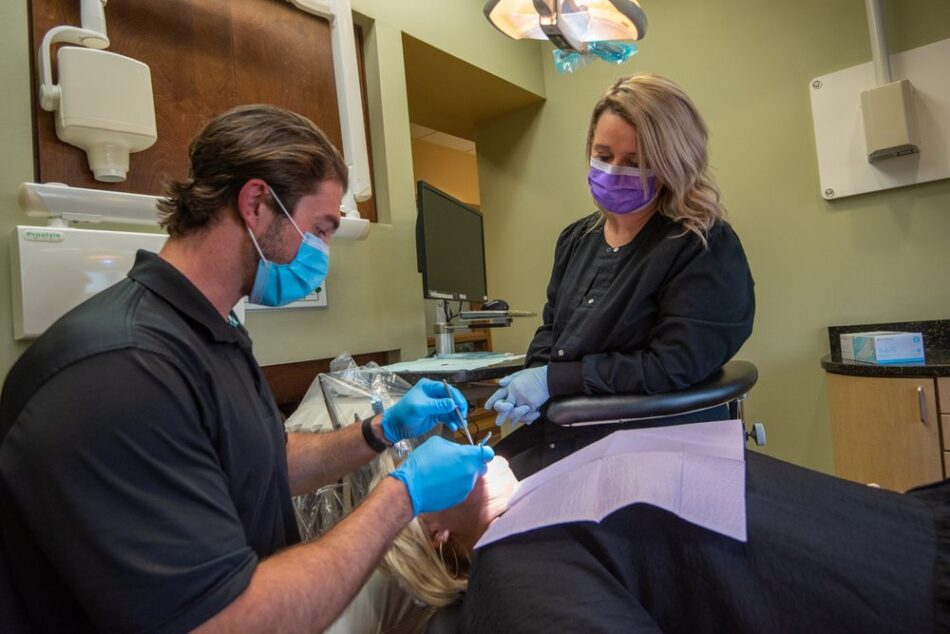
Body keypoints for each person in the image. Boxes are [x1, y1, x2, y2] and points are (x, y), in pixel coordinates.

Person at [0, 104, 494, 633]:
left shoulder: (215, 332)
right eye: (320, 231)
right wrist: (403, 494)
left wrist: (380, 430)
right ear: (258, 204)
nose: (323, 254)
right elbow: (220, 620)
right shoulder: (121, 372)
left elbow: (265, 463)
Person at [374, 442, 948, 633]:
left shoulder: (542, 500)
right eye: (428, 460)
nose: (455, 443)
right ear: (437, 531)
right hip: (913, 589)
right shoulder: (510, 565)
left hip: (903, 522)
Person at [486, 73, 755, 473]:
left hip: (651, 445)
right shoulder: (577, 238)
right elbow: (552, 329)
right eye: (603, 155)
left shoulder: (701, 244)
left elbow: (671, 365)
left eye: (635, 162)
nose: (613, 172)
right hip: (566, 429)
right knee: (460, 502)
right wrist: (533, 377)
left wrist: (554, 381)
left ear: (671, 164)